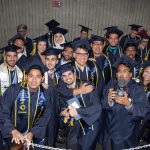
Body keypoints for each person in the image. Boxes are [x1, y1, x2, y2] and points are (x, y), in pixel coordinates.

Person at [0, 58, 54, 150]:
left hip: (36, 135)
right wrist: (12, 130)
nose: (34, 80)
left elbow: (45, 117)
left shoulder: (46, 95)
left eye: (38, 76)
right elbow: (3, 112)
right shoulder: (13, 90)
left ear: (42, 78)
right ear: (26, 76)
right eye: (31, 76)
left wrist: (32, 133)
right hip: (14, 136)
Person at [101, 55, 149, 150]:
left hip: (125, 134)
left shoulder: (137, 88)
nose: (121, 74)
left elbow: (143, 111)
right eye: (119, 71)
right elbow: (102, 104)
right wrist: (109, 100)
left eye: (125, 71)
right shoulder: (111, 84)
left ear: (131, 74)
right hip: (108, 130)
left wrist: (129, 104)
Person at [59, 63, 102, 150]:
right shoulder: (64, 90)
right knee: (71, 145)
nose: (67, 78)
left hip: (90, 123)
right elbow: (62, 107)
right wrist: (63, 112)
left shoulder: (86, 85)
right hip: (74, 125)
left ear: (74, 74)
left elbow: (97, 107)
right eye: (64, 76)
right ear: (61, 78)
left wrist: (78, 111)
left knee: (86, 147)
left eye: (69, 74)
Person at [137, 61, 150, 143]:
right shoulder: (134, 82)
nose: (148, 75)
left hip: (143, 119)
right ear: (142, 71)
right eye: (146, 71)